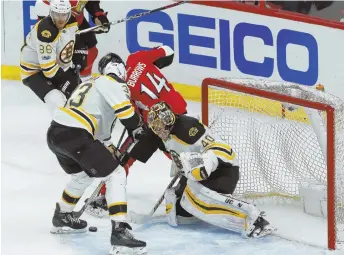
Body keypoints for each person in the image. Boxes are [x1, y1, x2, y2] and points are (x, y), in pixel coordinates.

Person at [46, 52, 147, 254]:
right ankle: (120, 233)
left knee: (82, 175)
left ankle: (62, 216)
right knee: (116, 174)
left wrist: (110, 149)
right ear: (119, 69)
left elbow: (101, 133)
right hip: (77, 135)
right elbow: (126, 112)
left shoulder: (91, 83)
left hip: (56, 133)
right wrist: (138, 128)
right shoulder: (114, 83)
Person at [146, 101, 275, 238]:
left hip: (223, 170)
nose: (159, 131)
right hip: (202, 172)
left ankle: (254, 218)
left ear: (168, 119)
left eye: (160, 126)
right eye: (155, 127)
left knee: (196, 198)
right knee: (181, 211)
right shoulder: (169, 133)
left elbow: (217, 148)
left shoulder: (187, 128)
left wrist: (204, 165)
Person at [86, 46, 188, 217]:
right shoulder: (137, 58)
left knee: (124, 158)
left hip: (156, 125)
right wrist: (156, 64)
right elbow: (167, 51)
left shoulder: (121, 89)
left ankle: (104, 196)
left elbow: (132, 120)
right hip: (180, 113)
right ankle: (196, 185)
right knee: (181, 154)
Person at [20, 0, 85, 115]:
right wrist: (68, 79)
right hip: (34, 72)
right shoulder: (46, 31)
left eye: (64, 14)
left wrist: (79, 55)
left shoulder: (72, 22)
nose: (60, 19)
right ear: (50, 13)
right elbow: (49, 70)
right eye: (57, 14)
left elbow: (77, 37)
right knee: (56, 100)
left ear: (69, 14)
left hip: (57, 67)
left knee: (82, 95)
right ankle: (62, 129)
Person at [35, 0, 110, 79]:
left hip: (78, 22)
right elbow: (43, 9)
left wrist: (98, 15)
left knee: (91, 53)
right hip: (56, 25)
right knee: (63, 59)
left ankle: (83, 84)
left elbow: (89, 2)